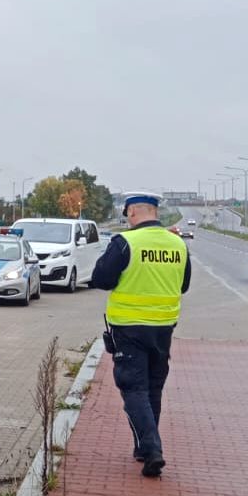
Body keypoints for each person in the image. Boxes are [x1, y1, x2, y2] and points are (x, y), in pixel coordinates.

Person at [90, 191, 190, 478]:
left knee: (134, 389)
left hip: (130, 329)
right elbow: (183, 285)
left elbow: (101, 279)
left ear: (132, 213)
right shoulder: (178, 245)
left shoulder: (125, 242)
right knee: (153, 389)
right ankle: (142, 447)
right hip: (164, 329)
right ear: (155, 213)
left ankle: (152, 448)